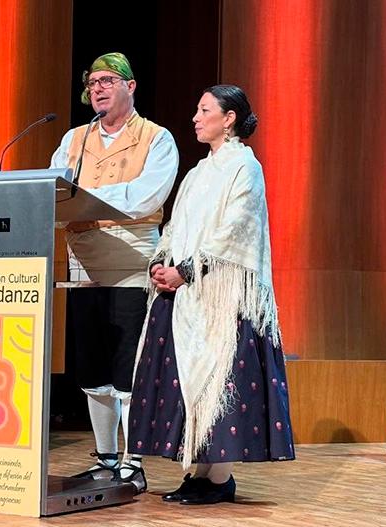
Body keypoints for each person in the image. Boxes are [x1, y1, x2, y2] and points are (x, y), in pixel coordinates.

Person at [128, 85, 294, 505]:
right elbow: (176, 226)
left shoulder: (244, 166)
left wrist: (187, 271)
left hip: (220, 297)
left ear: (229, 117)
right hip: (185, 296)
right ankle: (199, 473)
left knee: (219, 377)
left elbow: (237, 229)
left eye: (204, 110)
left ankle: (218, 477)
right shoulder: (198, 172)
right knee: (188, 380)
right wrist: (160, 263)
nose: (196, 118)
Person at [49, 52, 178, 493]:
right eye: (93, 82)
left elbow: (146, 197)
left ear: (131, 86)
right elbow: (53, 190)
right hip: (82, 262)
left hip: (130, 262)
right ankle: (105, 456)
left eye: (108, 80)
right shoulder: (73, 139)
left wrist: (91, 197)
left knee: (127, 364)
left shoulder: (156, 138)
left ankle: (133, 459)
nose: (98, 88)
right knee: (91, 364)